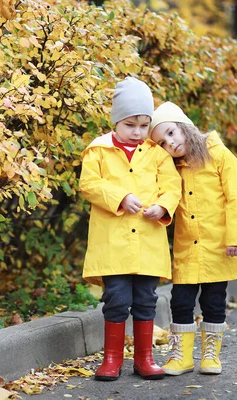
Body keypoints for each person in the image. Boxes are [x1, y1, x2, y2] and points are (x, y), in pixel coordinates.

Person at [79, 78, 182, 381]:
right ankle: (112, 359)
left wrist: (162, 207)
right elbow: (89, 184)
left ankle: (144, 358)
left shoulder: (156, 153)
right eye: (130, 125)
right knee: (117, 299)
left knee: (146, 300)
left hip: (148, 241)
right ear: (116, 122)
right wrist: (121, 198)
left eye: (143, 125)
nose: (137, 132)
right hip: (113, 243)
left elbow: (172, 186)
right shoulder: (97, 151)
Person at [149, 101, 237, 376]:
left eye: (171, 133)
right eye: (162, 143)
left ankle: (211, 356)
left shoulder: (220, 156)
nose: (170, 144)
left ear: (185, 125)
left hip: (218, 245)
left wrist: (235, 237)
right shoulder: (173, 168)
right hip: (188, 247)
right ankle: (182, 356)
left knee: (213, 300)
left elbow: (236, 200)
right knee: (181, 301)